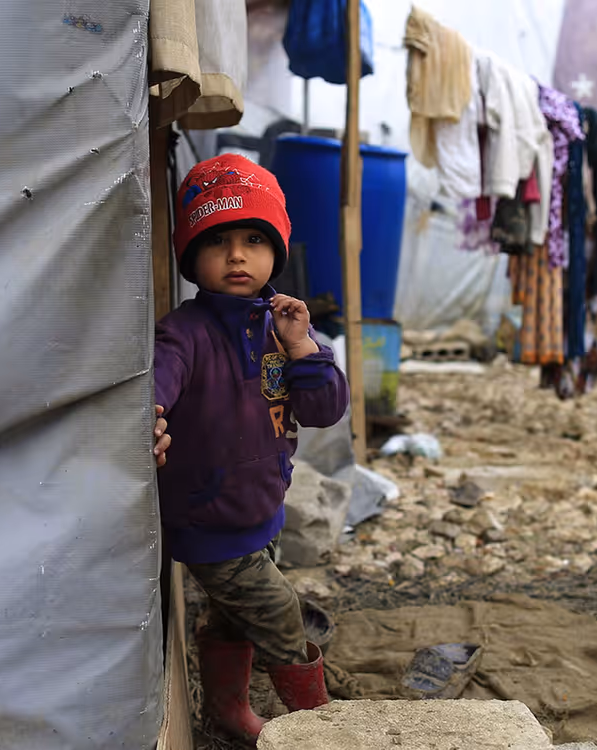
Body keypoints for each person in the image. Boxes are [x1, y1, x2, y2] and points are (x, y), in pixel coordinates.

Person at [153, 154, 349, 740]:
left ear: (275, 251)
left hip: (262, 508)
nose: (237, 255)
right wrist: (150, 417)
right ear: (191, 257)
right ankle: (321, 727)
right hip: (209, 520)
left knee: (232, 621)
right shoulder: (183, 332)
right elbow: (157, 385)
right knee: (282, 620)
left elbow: (324, 408)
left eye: (254, 239)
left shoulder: (281, 326)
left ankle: (229, 714)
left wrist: (302, 349)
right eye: (218, 241)